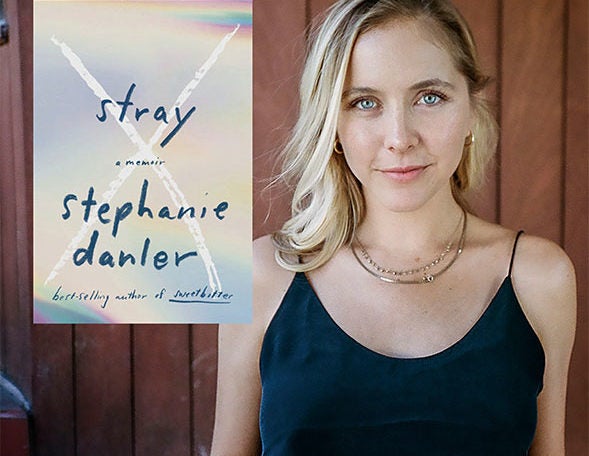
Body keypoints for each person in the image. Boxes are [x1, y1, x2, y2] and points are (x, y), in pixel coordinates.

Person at [212, 0, 577, 454]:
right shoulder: (265, 275)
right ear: (333, 124)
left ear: (471, 108)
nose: (400, 138)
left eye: (430, 97)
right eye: (365, 103)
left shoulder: (538, 278)